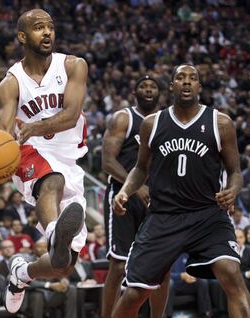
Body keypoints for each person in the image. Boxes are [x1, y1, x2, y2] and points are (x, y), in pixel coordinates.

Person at [112, 64, 250, 318]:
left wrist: (232, 190)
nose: (186, 82)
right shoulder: (151, 124)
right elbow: (140, 168)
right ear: (172, 86)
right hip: (163, 216)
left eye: (192, 78)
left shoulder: (221, 123)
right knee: (134, 294)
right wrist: (125, 191)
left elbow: (235, 172)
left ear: (199, 87)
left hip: (207, 215)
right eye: (181, 78)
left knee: (232, 274)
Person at [0, 8, 88, 314]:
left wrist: (35, 125)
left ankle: (22, 274)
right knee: (52, 182)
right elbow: (4, 134)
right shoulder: (11, 83)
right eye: (38, 28)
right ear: (23, 36)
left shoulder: (74, 66)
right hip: (30, 151)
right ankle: (53, 233)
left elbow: (72, 114)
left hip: (69, 156)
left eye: (50, 27)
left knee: (63, 265)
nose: (47, 32)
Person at [101, 76, 169, 318]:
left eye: (153, 87)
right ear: (135, 91)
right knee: (119, 266)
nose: (148, 89)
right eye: (143, 86)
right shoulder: (124, 118)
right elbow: (107, 162)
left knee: (162, 268)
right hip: (124, 197)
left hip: (157, 201)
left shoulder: (165, 122)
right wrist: (135, 188)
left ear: (160, 93)